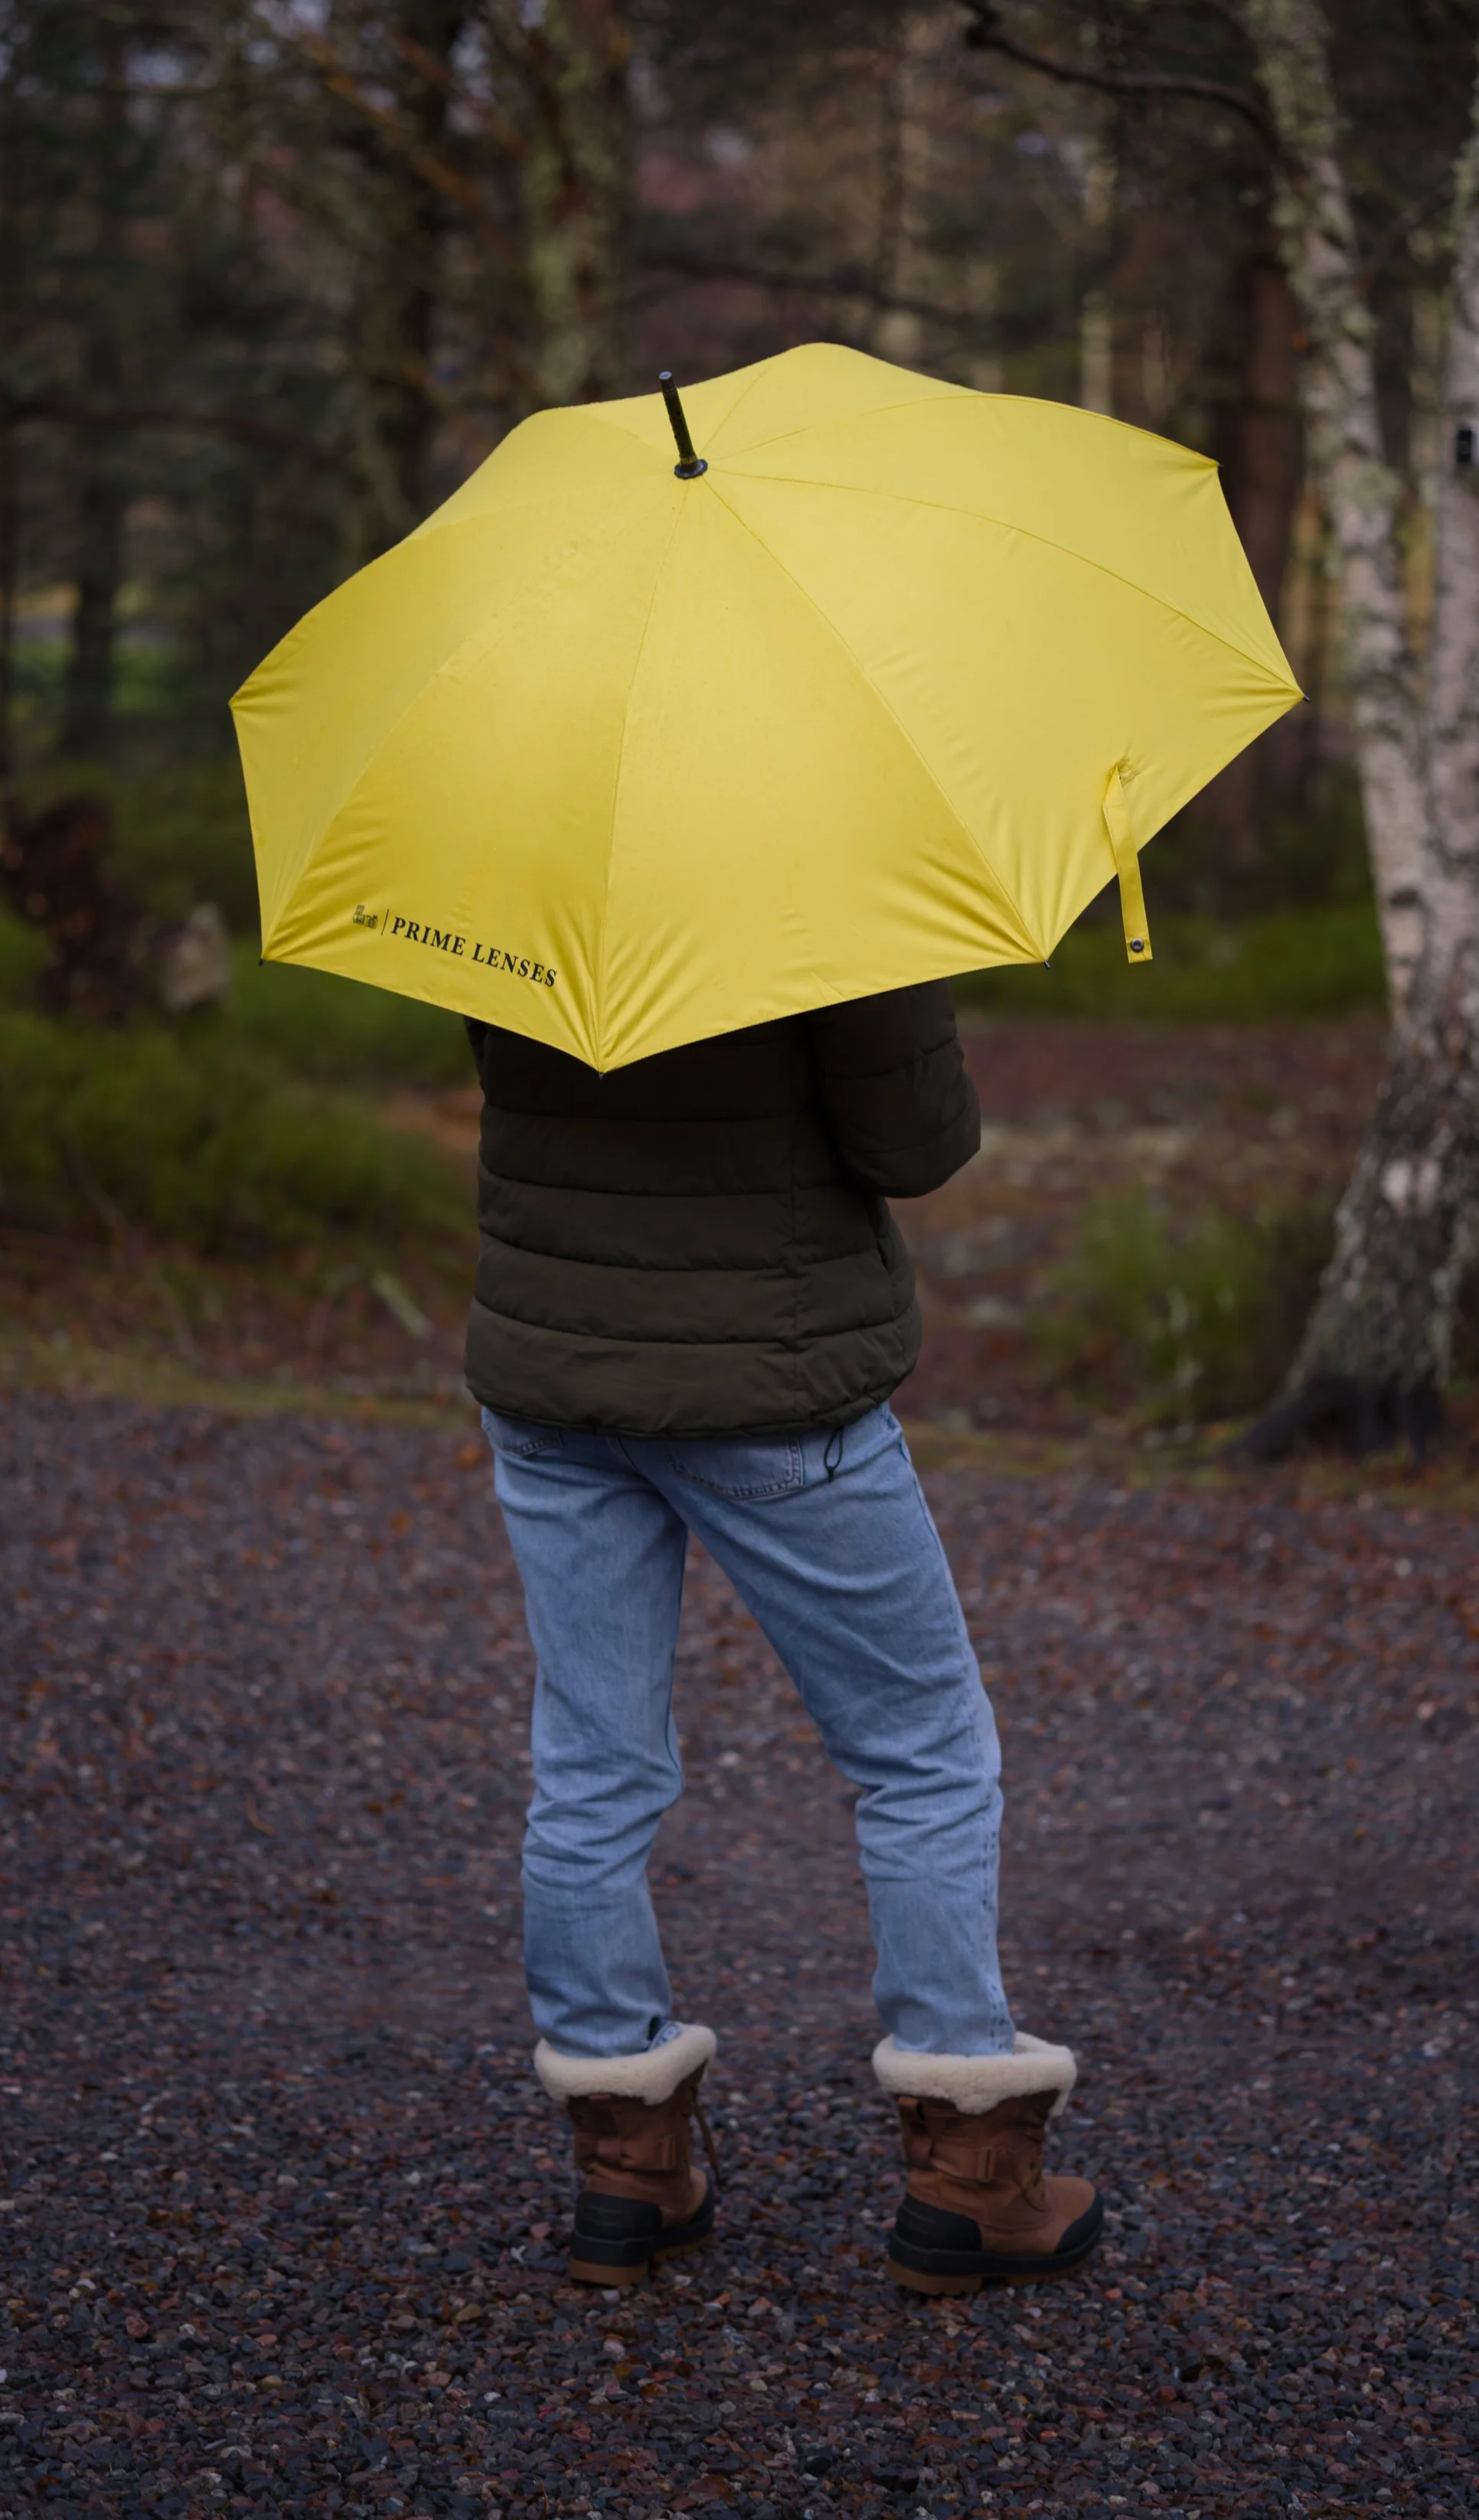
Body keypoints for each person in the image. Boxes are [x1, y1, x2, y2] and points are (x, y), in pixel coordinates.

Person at [465, 984, 1101, 2296]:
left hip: (554, 1379)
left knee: (592, 1763)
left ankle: (627, 2169)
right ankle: (971, 2176)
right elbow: (918, 1147)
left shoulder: (525, 840)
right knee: (921, 1744)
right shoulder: (830, 886)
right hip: (769, 1378)